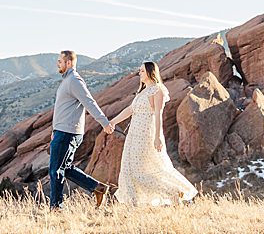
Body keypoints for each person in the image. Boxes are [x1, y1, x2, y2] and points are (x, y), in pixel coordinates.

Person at [109, 61, 198, 206]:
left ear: (151, 72)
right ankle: (133, 205)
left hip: (146, 134)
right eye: (140, 71)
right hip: (133, 135)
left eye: (142, 71)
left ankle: (174, 191)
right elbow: (131, 110)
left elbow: (158, 115)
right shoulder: (143, 91)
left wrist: (157, 137)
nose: (140, 74)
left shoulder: (158, 90)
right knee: (128, 169)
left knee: (142, 172)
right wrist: (113, 121)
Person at [49, 50, 115, 210]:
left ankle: (56, 207)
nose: (58, 63)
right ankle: (98, 188)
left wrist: (104, 123)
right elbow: (61, 109)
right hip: (62, 131)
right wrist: (54, 130)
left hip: (68, 133)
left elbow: (89, 102)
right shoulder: (67, 81)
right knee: (65, 168)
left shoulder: (74, 81)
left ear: (69, 63)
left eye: (60, 61)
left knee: (55, 170)